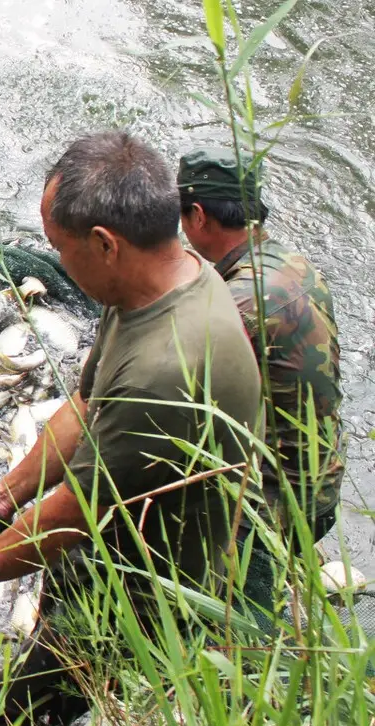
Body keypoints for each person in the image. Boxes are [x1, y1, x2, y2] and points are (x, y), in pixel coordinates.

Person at [0, 132, 262, 726]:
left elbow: (73, 516)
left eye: (61, 248)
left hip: (145, 595)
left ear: (104, 242)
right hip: (105, 555)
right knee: (27, 700)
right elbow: (85, 403)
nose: (58, 261)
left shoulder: (168, 367)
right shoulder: (156, 283)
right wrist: (0, 498)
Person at [177, 146, 343, 553]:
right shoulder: (295, 264)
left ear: (197, 216)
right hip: (325, 478)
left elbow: (173, 405)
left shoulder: (237, 305)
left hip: (282, 507)